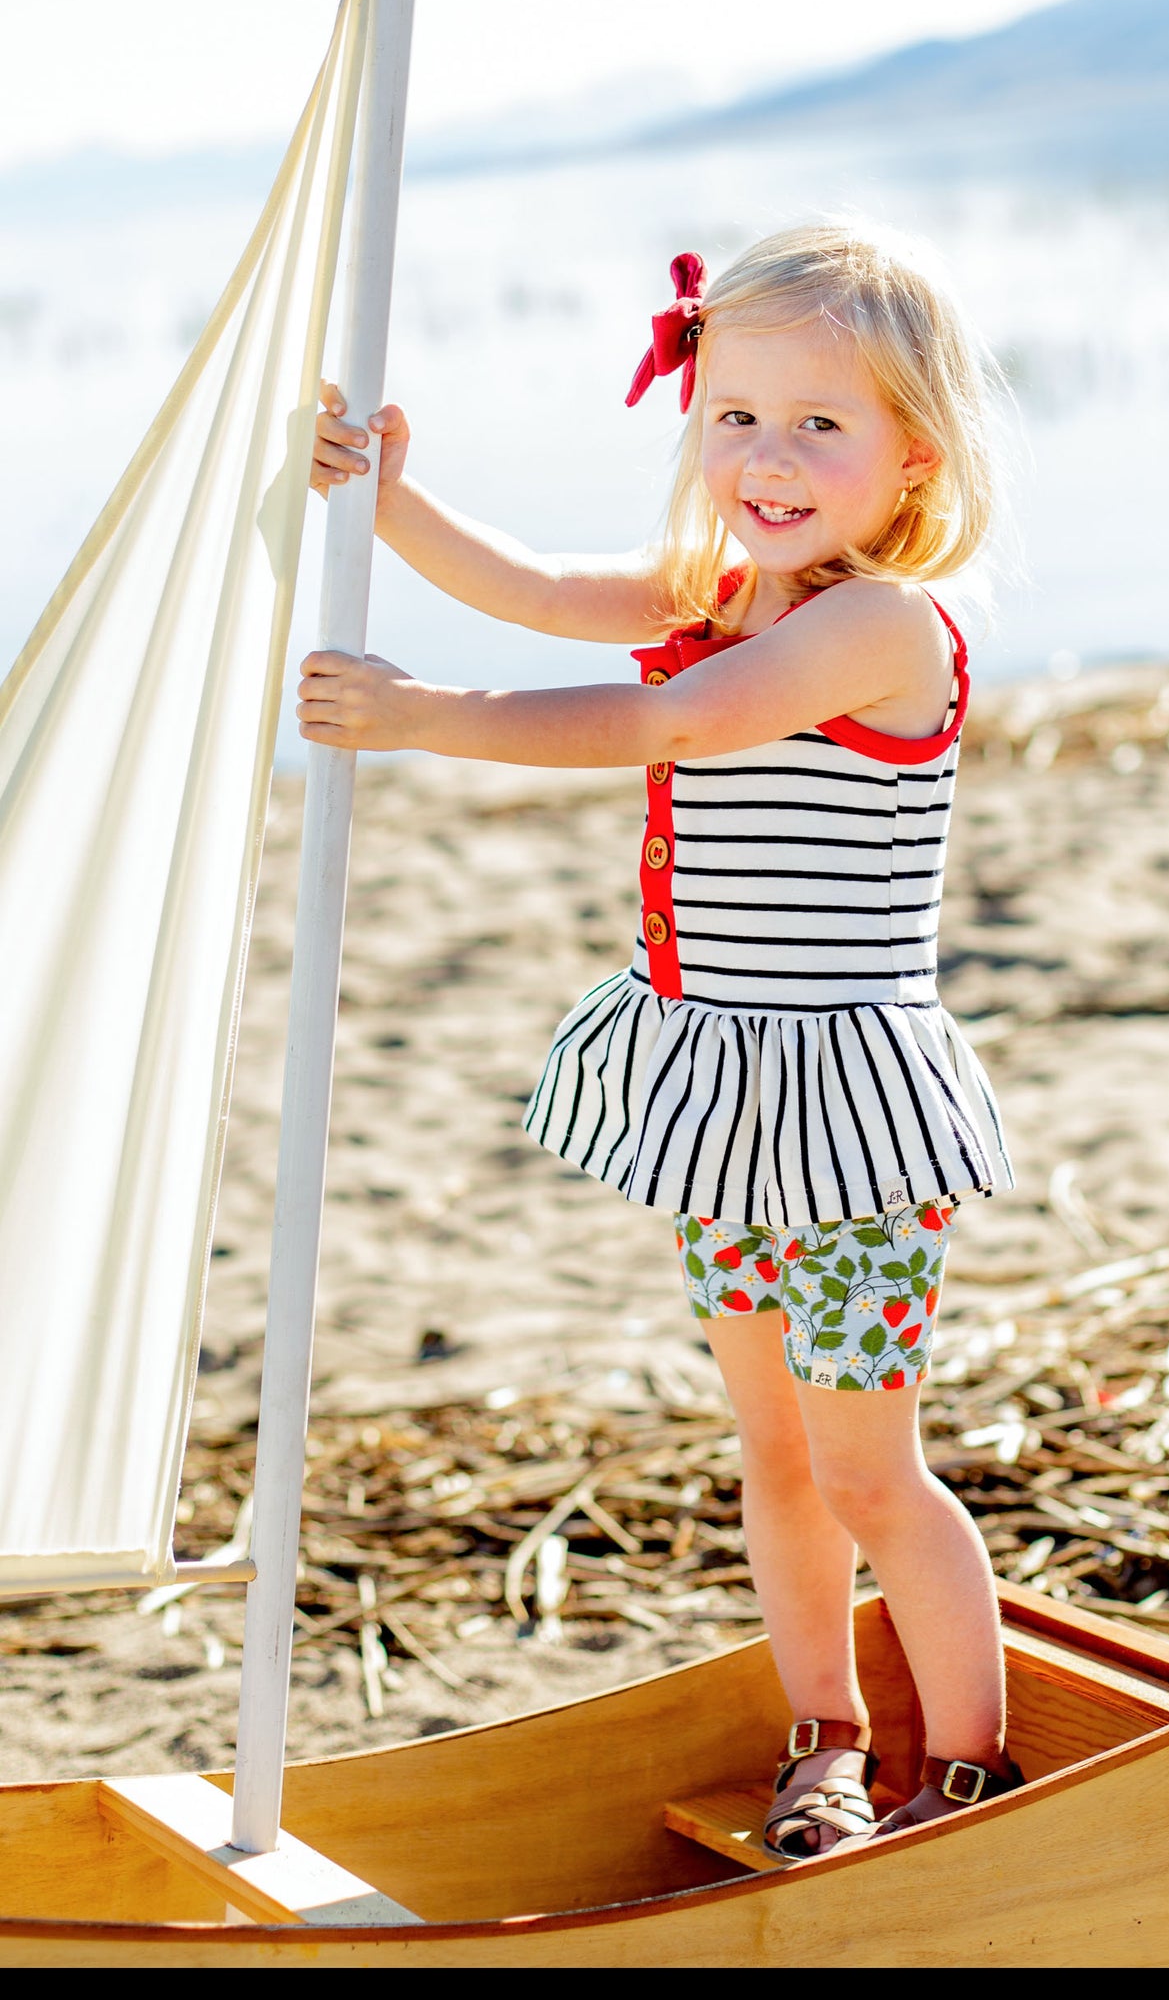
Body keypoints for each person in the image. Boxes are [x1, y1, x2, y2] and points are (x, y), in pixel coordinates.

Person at [303, 224, 1020, 1857]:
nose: (764, 457)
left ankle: (966, 1762)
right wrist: (393, 498)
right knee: (769, 1456)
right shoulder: (719, 586)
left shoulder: (878, 626)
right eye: (734, 415)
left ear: (912, 450)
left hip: (840, 1124)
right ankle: (823, 1732)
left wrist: (429, 720)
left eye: (818, 425)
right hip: (723, 1114)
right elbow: (545, 592)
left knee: (865, 1472)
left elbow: (663, 720)